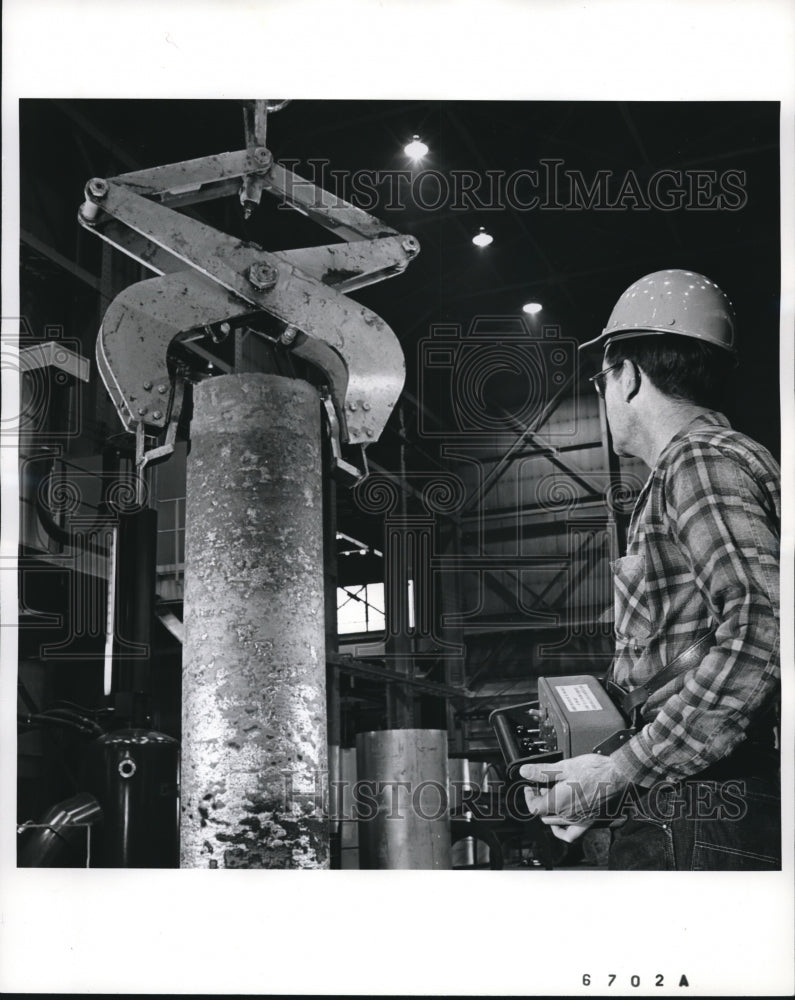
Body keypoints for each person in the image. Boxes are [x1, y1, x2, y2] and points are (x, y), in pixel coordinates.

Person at [520, 269, 781, 870]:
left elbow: (764, 626)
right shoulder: (726, 460)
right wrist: (602, 786)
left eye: (602, 378)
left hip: (702, 809)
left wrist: (618, 771)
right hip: (700, 802)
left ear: (628, 376)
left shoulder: (697, 460)